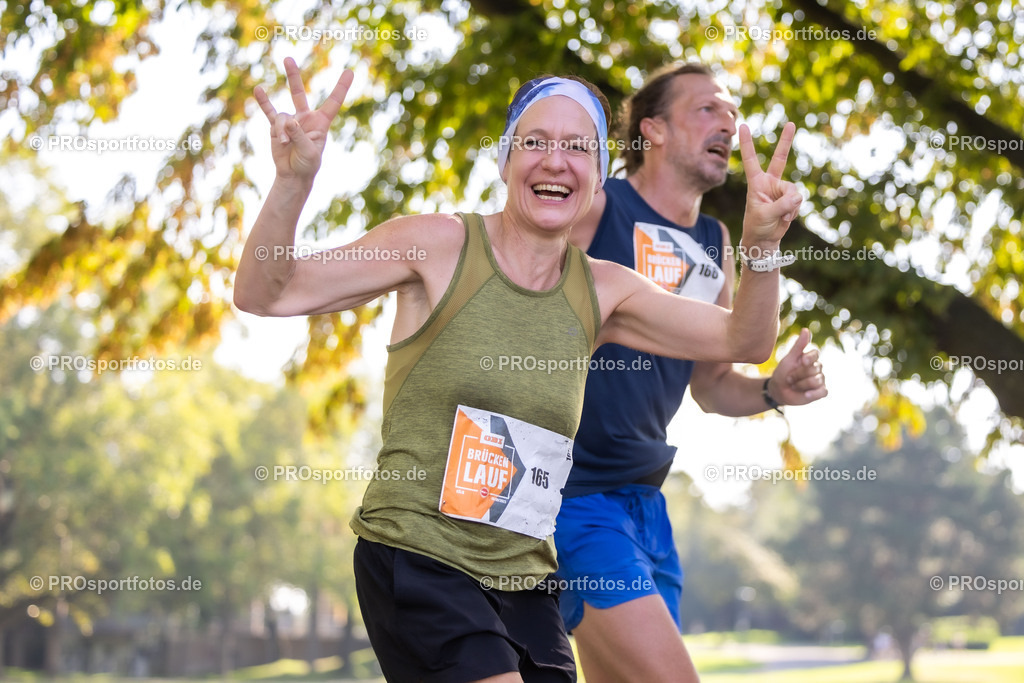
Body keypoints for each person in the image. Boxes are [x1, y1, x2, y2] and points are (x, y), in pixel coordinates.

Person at [234, 57, 803, 683]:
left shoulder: (605, 291)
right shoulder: (435, 245)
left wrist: (762, 246)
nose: (555, 160)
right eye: (534, 142)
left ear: (597, 177)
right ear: (506, 160)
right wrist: (292, 183)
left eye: (576, 147)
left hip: (525, 575)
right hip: (420, 557)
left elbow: (744, 340)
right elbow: (268, 293)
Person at [553, 63, 829, 683]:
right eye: (707, 109)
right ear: (652, 130)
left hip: (648, 505)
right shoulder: (599, 207)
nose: (727, 122)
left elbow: (710, 385)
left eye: (731, 113)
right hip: (574, 499)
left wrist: (769, 390)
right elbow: (516, 287)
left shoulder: (716, 242)